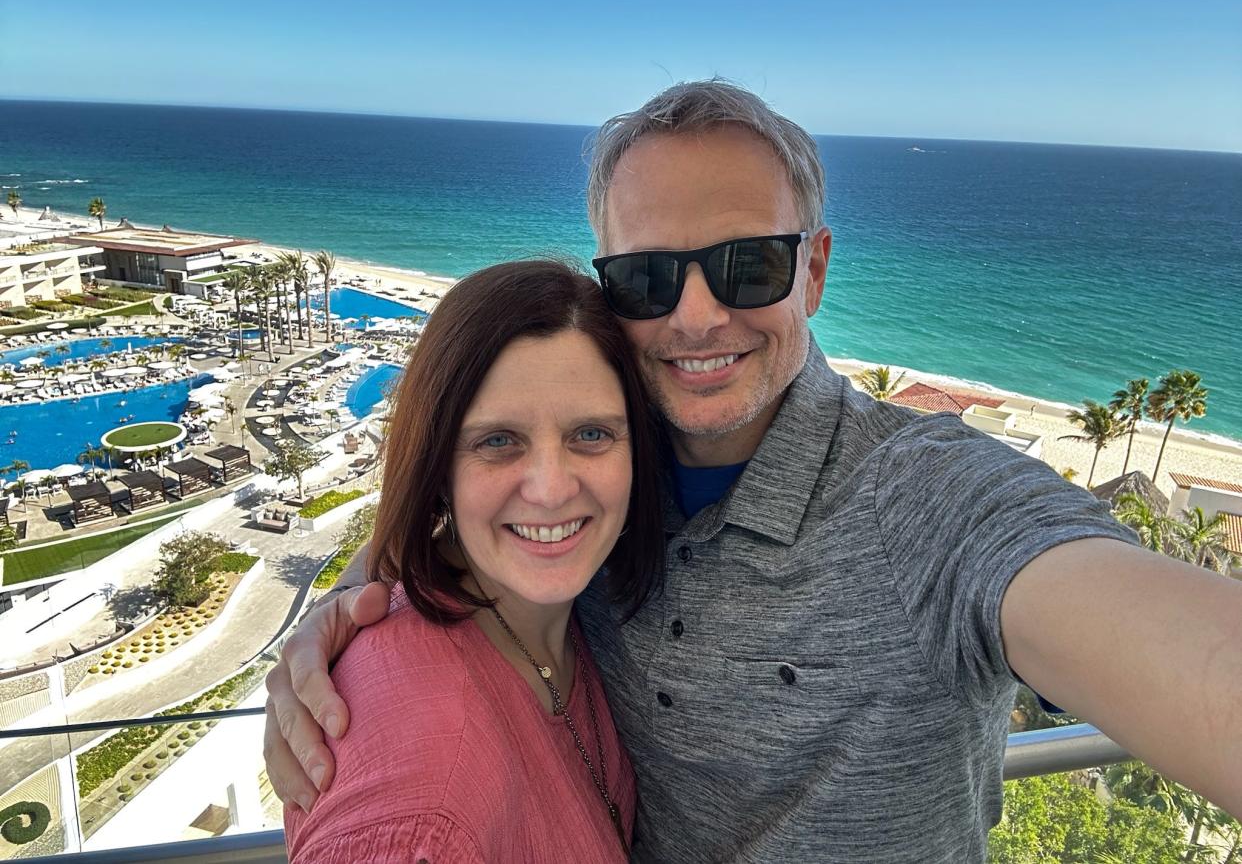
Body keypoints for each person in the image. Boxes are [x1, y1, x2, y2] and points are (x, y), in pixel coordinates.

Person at [267, 81, 1242, 861]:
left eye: (747, 265)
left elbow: (1131, 620)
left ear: (813, 269)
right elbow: (471, 498)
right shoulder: (597, 474)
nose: (695, 316)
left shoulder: (925, 499)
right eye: (650, 276)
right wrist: (349, 615)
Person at [282, 261, 665, 861]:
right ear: (439, 470)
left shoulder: (565, 613)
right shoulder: (426, 801)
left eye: (590, 435)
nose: (551, 489)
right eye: (497, 441)